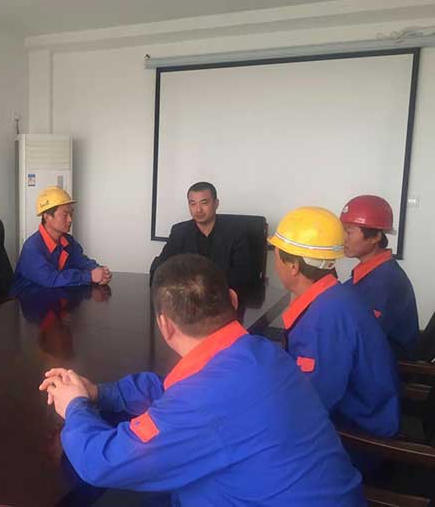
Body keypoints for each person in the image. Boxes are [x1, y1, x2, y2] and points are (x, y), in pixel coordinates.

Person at [40, 254, 365, 506]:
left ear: (165, 325)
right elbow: (176, 389)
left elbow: (102, 462)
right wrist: (100, 392)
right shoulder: (262, 353)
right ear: (234, 301)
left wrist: (75, 405)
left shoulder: (202, 401)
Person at [269, 206, 399, 437]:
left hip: (357, 433)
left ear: (293, 266)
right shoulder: (334, 295)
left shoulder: (322, 320)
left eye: (276, 254)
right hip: (358, 412)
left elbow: (311, 404)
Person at [341, 195, 419, 359]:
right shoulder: (375, 270)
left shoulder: (383, 281)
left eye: (349, 232)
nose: (343, 238)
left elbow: (362, 338)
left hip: (387, 364)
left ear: (375, 237)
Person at [149, 182, 251, 290]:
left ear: (216, 204)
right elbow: (159, 267)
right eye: (193, 204)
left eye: (204, 203)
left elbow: (244, 274)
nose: (198, 210)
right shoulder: (179, 232)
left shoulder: (235, 232)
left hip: (222, 294)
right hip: (187, 295)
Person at [11, 187, 111, 295]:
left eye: (71, 214)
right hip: (28, 300)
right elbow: (51, 278)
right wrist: (89, 276)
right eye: (65, 215)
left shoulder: (68, 241)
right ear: (47, 216)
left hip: (54, 296)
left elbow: (82, 262)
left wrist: (100, 272)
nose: (70, 220)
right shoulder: (32, 247)